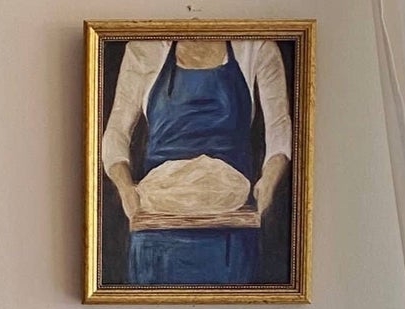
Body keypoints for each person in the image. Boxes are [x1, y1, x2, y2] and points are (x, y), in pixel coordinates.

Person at [101, 37, 291, 287]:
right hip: (157, 230)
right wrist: (125, 188)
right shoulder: (143, 50)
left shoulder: (257, 48)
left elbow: (279, 129)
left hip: (230, 228)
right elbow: (116, 132)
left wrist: (269, 179)